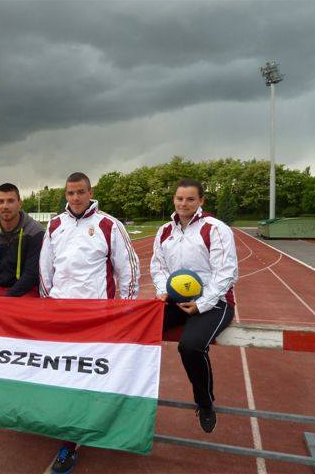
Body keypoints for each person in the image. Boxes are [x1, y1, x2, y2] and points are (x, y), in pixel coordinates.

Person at [39, 172, 141, 474]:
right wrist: (50, 305)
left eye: (81, 192)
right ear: (65, 194)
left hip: (96, 317)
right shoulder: (54, 225)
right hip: (62, 316)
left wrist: (126, 311)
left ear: (90, 192)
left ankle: (74, 441)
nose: (76, 198)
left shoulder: (109, 225)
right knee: (63, 376)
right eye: (71, 193)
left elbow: (128, 270)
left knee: (89, 377)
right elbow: (45, 269)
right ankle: (68, 433)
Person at [150, 178, 238, 433]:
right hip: (176, 301)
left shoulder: (216, 229)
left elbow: (226, 272)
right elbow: (158, 266)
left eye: (190, 199)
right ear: (174, 200)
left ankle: (205, 402)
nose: (184, 203)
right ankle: (130, 395)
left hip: (216, 303)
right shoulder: (165, 231)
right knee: (140, 328)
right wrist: (163, 290)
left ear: (201, 201)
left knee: (190, 346)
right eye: (180, 198)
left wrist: (202, 304)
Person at [0, 183, 44, 297]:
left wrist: (6, 300)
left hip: (26, 290)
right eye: (1, 201)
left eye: (10, 201)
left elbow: (31, 273)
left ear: (20, 203)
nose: (5, 206)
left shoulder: (35, 231)